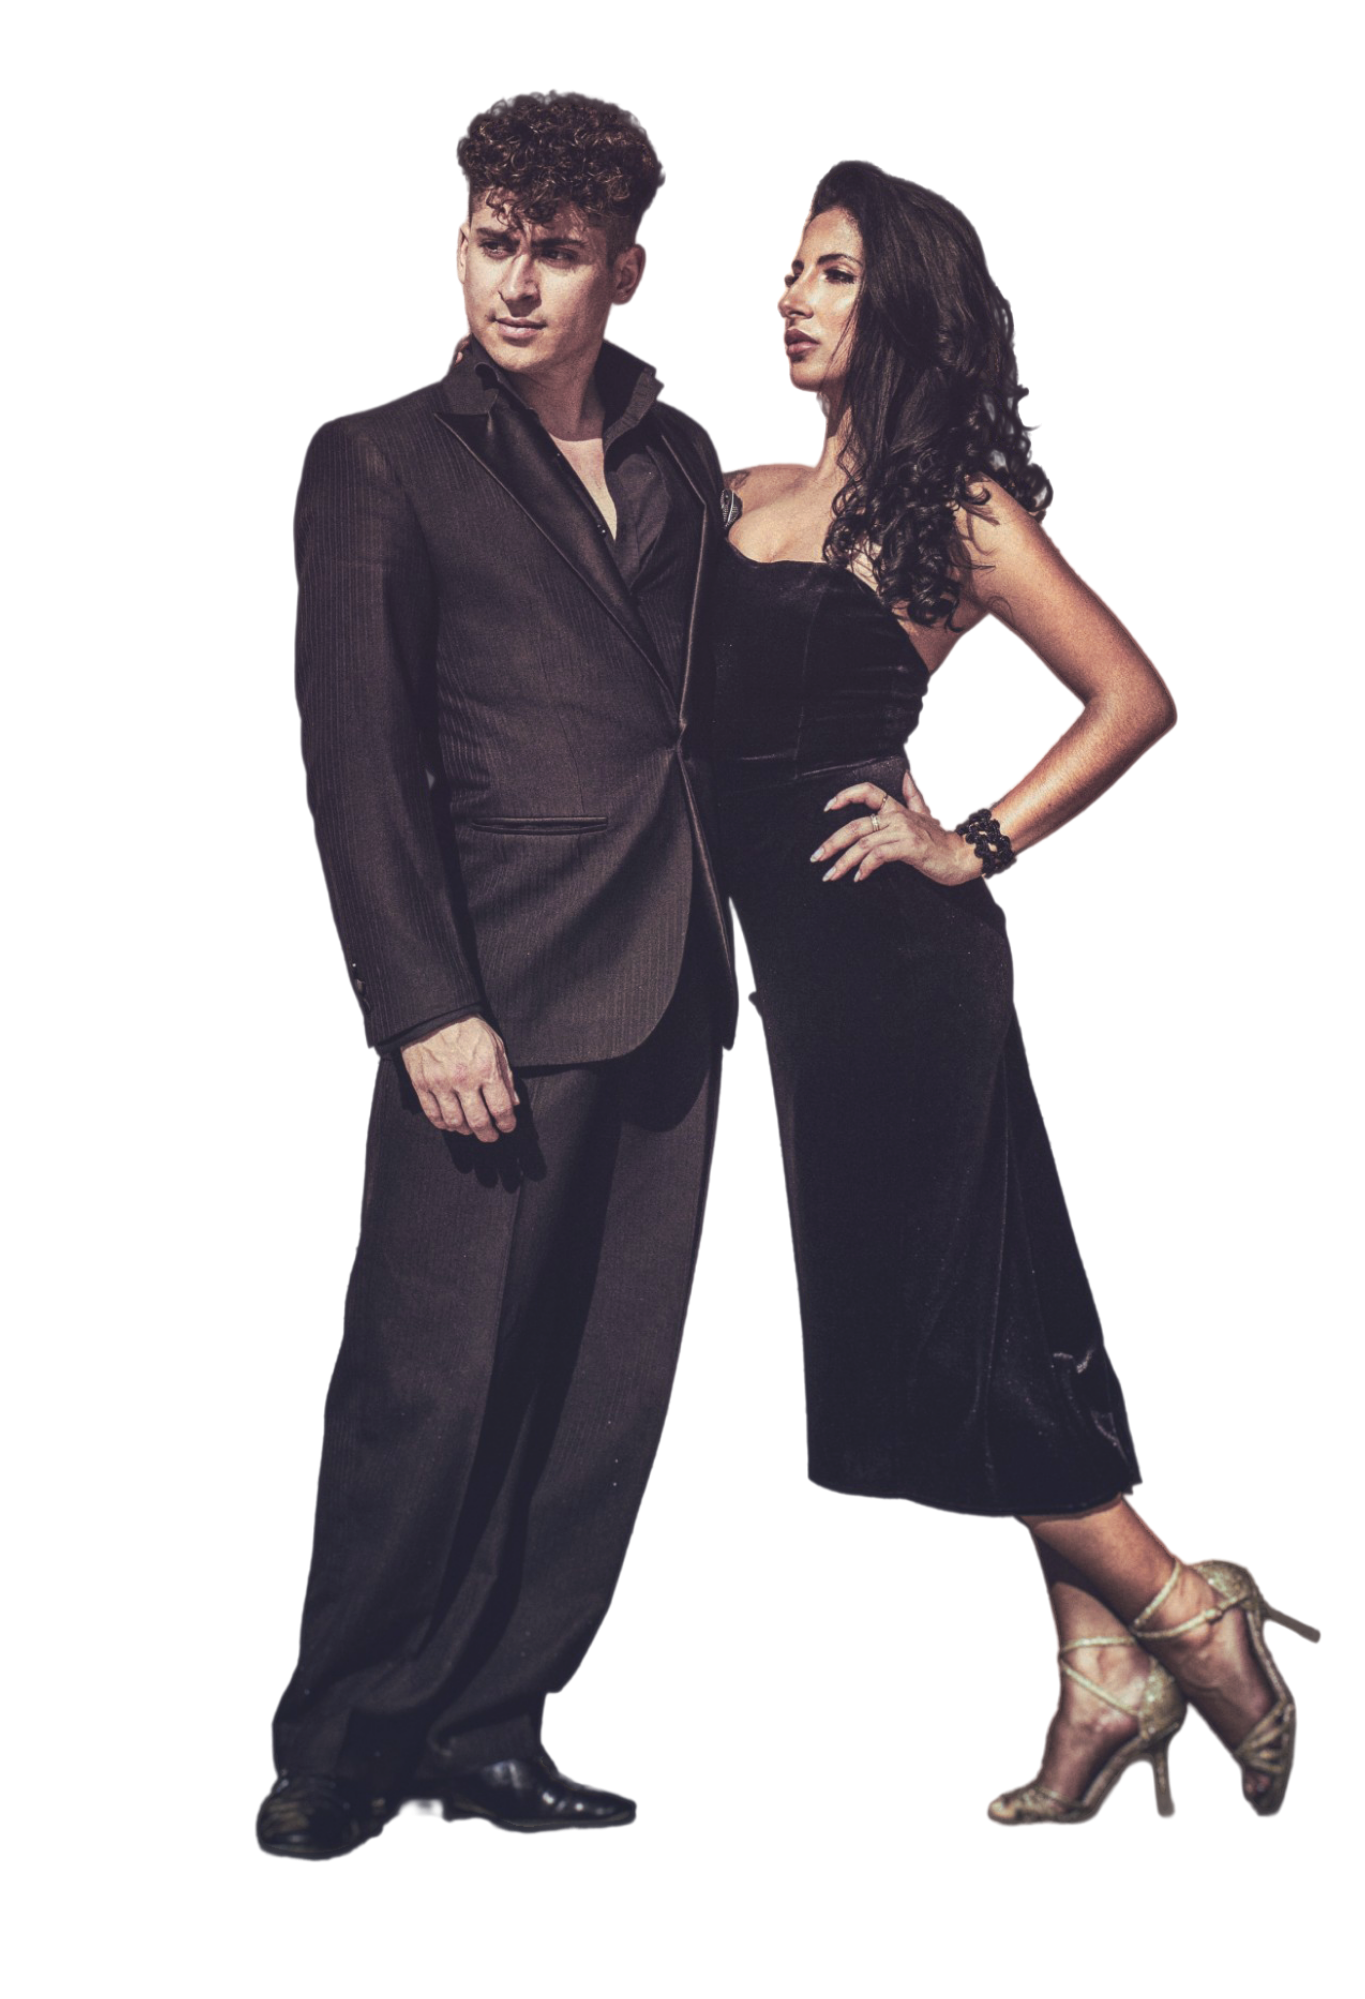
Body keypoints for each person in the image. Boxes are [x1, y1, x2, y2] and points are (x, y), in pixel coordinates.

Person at [707, 160, 1321, 1824]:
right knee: (1002, 1309)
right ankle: (1099, 1679)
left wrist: (970, 839)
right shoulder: (732, 486)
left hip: (898, 966)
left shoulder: (956, 507)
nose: (793, 295)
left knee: (939, 1325)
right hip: (787, 968)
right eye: (789, 268)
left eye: (833, 271)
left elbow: (1134, 694)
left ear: (902, 303)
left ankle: (1186, 1608)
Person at [258, 91, 739, 1861]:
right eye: (490, 241)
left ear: (628, 272)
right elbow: (357, 751)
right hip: (496, 998)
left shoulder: (683, 460)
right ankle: (337, 1745)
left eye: (556, 252)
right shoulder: (379, 458)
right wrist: (421, 1001)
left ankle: (485, 1727)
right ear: (457, 243)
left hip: (674, 977)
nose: (516, 283)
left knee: (602, 1400)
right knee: (429, 1389)